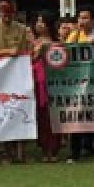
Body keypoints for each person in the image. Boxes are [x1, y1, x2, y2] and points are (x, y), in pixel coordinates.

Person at [0, 0, 32, 164]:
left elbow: (27, 50)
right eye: (4, 13)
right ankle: (7, 152)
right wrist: (7, 52)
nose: (7, 17)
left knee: (22, 109)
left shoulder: (23, 29)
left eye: (10, 14)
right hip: (1, 76)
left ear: (14, 14)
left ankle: (22, 151)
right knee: (4, 111)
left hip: (19, 75)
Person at [67, 7, 94, 164]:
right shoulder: (74, 36)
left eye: (85, 18)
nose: (82, 21)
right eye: (80, 18)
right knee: (77, 117)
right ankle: (74, 153)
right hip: (79, 84)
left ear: (93, 20)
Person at [30, 14, 60, 163]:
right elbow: (29, 60)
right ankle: (44, 149)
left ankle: (54, 149)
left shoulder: (57, 43)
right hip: (36, 81)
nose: (38, 24)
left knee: (52, 115)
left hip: (52, 81)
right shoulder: (32, 42)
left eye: (42, 21)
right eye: (37, 21)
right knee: (41, 115)